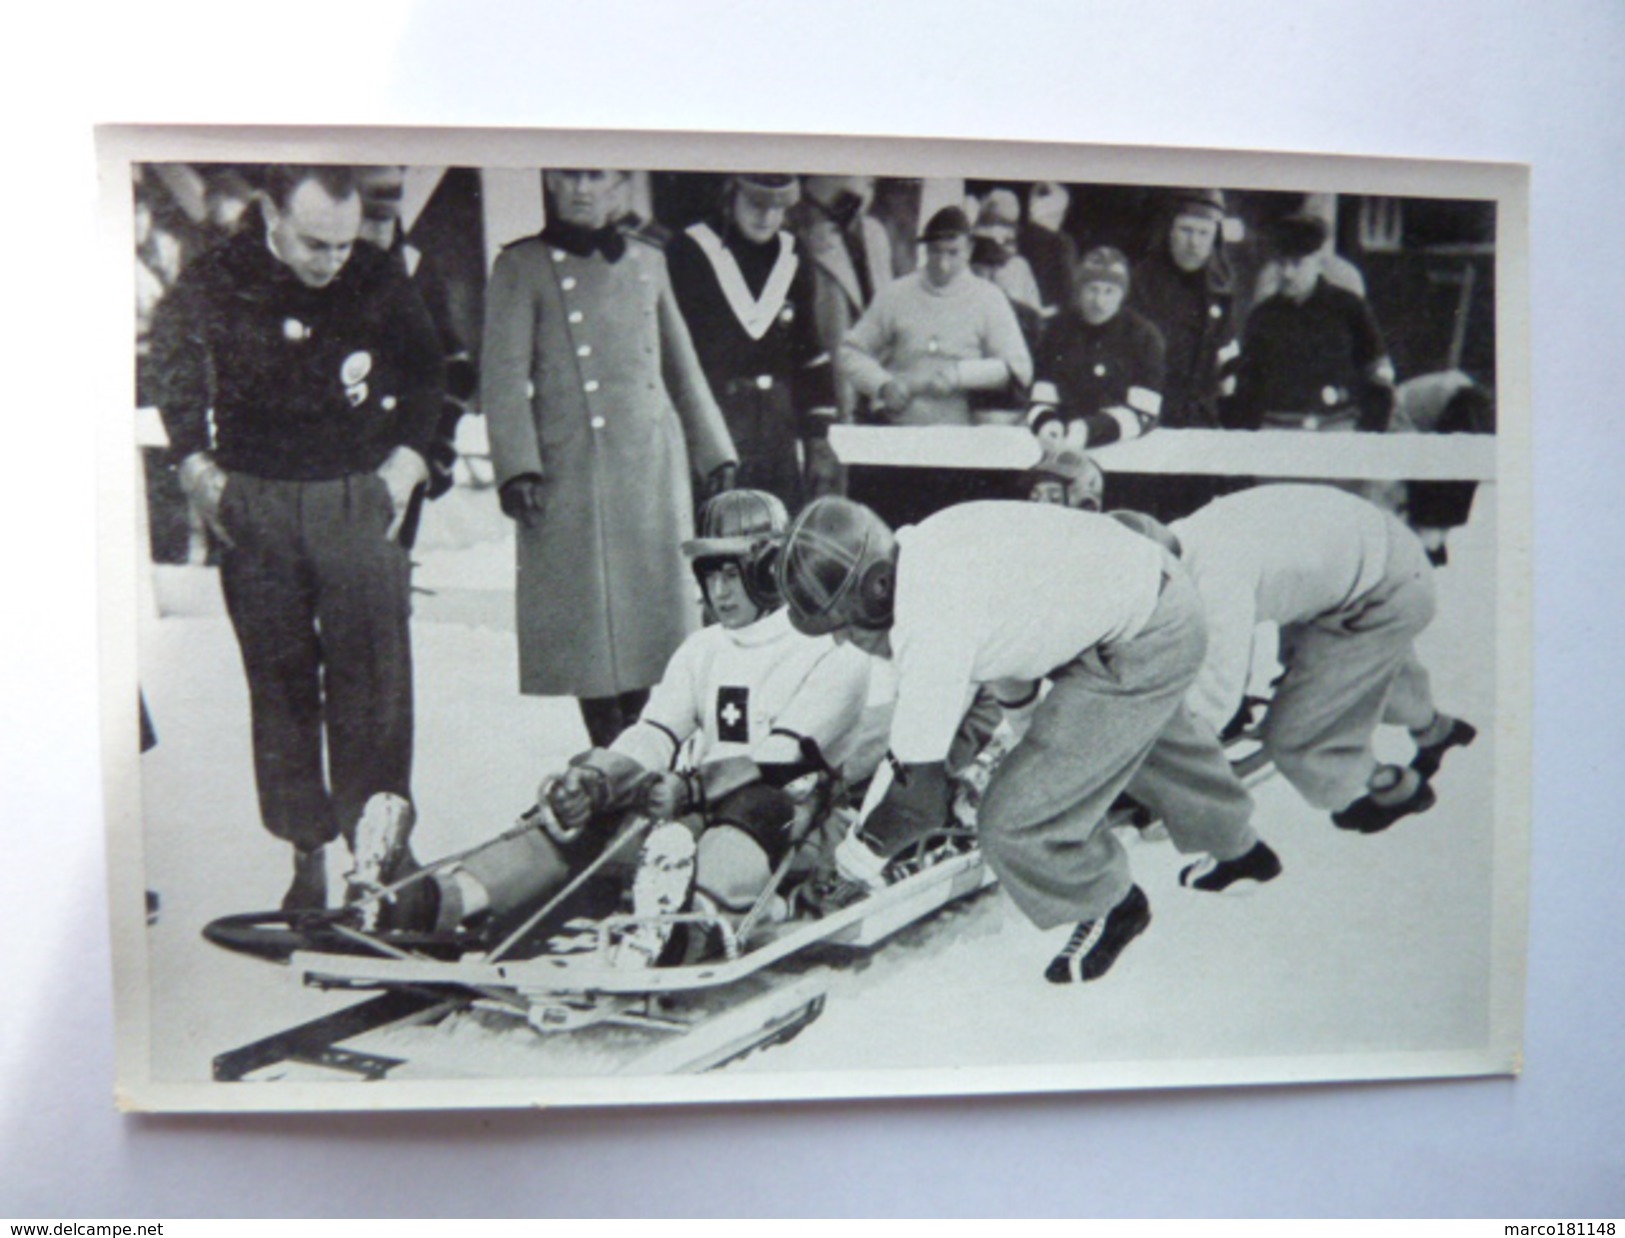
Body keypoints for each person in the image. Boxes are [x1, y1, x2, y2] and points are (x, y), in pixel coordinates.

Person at [351, 490, 879, 962]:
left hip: (793, 828)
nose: (719, 592)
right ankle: (437, 901)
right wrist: (597, 780)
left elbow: (779, 760)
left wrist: (689, 787)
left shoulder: (833, 652)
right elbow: (655, 732)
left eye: (732, 572)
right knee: (586, 814)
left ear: (769, 570)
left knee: (756, 805)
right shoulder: (702, 649)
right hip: (697, 815)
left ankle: (682, 929)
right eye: (709, 574)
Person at [774, 497, 1280, 985]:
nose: (842, 640)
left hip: (1141, 634)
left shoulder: (927, 624)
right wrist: (1033, 733)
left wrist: (853, 864)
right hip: (1152, 597)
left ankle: (1109, 903)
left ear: (875, 589)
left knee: (1014, 819)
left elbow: (917, 801)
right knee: (1161, 747)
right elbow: (1014, 636)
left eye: (841, 626)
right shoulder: (927, 545)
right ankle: (1238, 848)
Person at [147, 164, 447, 909]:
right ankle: (305, 849)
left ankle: (379, 848)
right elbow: (170, 359)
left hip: (358, 498)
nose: (331, 261)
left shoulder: (376, 274)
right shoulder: (219, 275)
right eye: (315, 244)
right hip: (257, 502)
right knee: (280, 684)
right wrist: (191, 459)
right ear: (271, 215)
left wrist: (409, 459)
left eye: (342, 245)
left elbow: (428, 369)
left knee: (372, 682)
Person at [481, 168, 739, 750]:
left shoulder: (649, 260)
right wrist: (518, 466)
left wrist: (712, 449)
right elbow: (501, 379)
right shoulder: (522, 268)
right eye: (567, 176)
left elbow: (680, 364)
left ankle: (647, 759)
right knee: (592, 633)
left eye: (595, 176)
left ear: (619, 185)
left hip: (651, 464)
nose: (580, 188)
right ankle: (610, 760)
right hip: (574, 471)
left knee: (657, 625)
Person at [1165, 485, 1477, 833]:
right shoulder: (1187, 533)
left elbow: (1216, 695)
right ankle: (1434, 729)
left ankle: (1391, 788)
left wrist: (1177, 746)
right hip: (1377, 557)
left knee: (1298, 732)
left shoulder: (1215, 587)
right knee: (1358, 669)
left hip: (1383, 596)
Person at [841, 206, 1034, 527]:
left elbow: (1018, 368)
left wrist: (962, 376)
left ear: (970, 249)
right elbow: (850, 351)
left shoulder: (989, 299)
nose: (943, 263)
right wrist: (883, 384)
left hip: (964, 449)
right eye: (934, 252)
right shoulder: (896, 295)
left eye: (953, 253)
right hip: (903, 441)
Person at [664, 174, 838, 511]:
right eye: (756, 205)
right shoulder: (688, 251)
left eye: (778, 208)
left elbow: (809, 352)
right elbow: (674, 359)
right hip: (715, 423)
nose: (767, 217)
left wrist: (817, 439)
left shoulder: (792, 254)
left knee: (776, 537)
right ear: (731, 195)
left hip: (777, 429)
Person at [354, 165, 479, 546]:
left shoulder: (415, 267)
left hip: (399, 456)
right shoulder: (319, 264)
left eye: (382, 221)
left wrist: (433, 451)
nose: (373, 233)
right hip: (327, 465)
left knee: (388, 583)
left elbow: (454, 366)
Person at [1225, 212, 1396, 433]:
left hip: (1338, 428)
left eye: (1297, 264)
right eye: (1281, 263)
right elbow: (1246, 388)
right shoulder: (1262, 317)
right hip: (1276, 431)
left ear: (1318, 263)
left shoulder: (1349, 307)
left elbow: (1379, 372)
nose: (1287, 273)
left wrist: (1370, 431)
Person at [792, 174, 896, 496]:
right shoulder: (800, 236)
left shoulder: (873, 234)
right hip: (829, 401)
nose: (867, 191)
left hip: (875, 399)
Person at [1031, 247, 1166, 456]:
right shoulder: (1057, 330)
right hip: (1060, 446)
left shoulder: (1144, 336)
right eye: (1092, 289)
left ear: (1122, 294)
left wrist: (1089, 430)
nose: (1099, 301)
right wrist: (1046, 424)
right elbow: (1041, 396)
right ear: (1080, 290)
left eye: (1109, 291)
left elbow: (1145, 412)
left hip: (1124, 448)